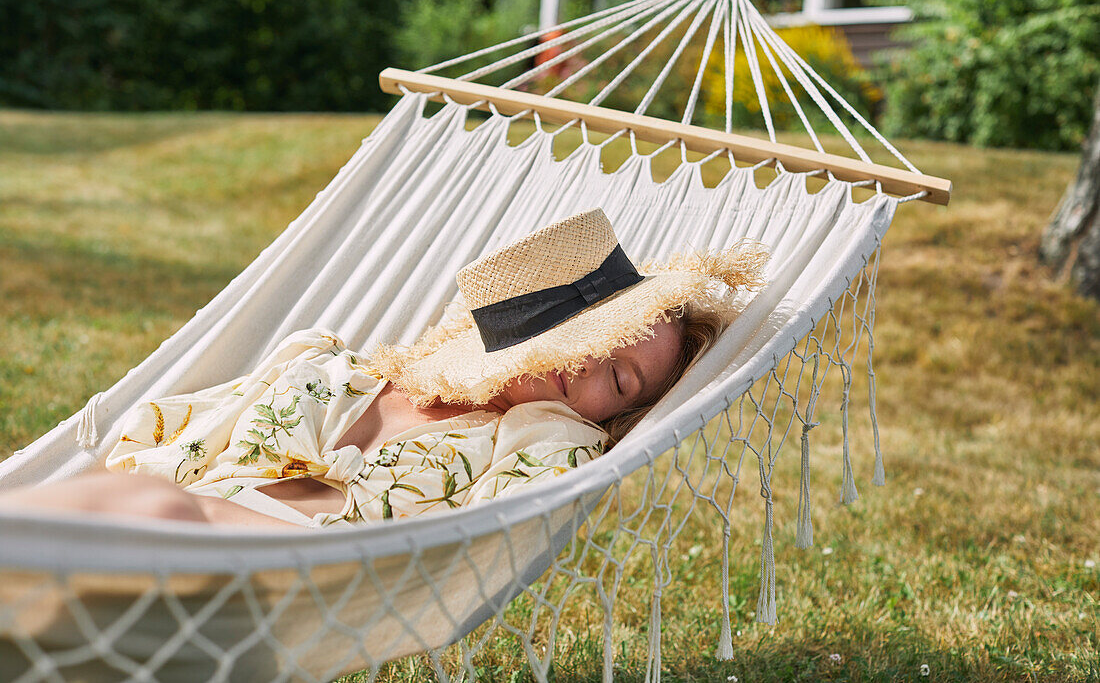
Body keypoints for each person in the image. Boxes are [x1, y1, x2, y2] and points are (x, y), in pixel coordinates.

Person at [0, 210, 767, 529]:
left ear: (617, 415)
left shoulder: (543, 447)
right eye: (600, 336)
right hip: (160, 503)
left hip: (286, 572)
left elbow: (469, 547)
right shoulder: (339, 365)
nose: (591, 363)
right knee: (135, 501)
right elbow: (187, 426)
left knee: (153, 512)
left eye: (622, 379)